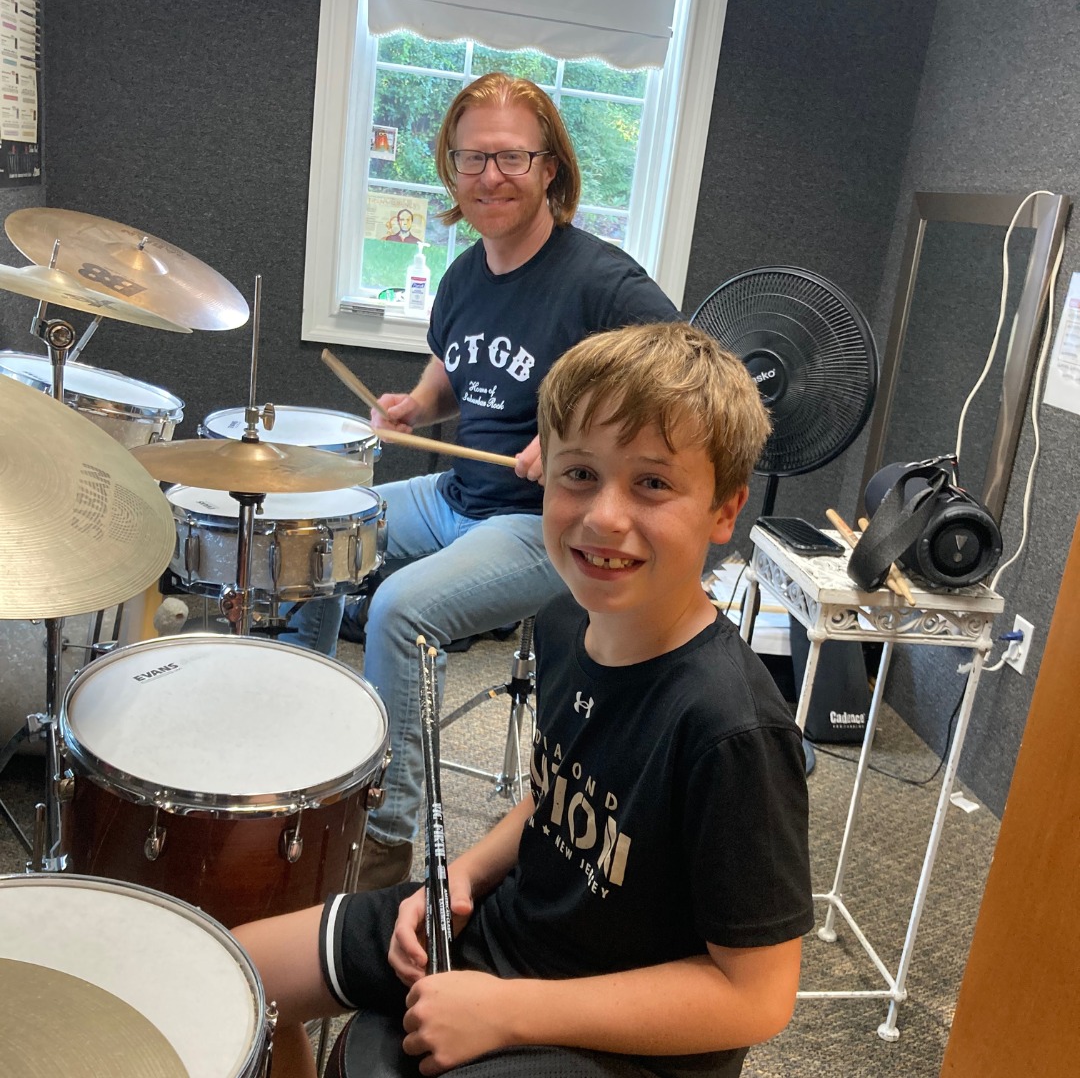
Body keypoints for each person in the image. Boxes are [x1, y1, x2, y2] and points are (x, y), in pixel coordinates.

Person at [232, 320, 814, 1078]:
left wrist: (507, 1013)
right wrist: (462, 875)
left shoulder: (731, 730)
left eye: (653, 483)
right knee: (237, 971)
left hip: (617, 1032)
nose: (605, 515)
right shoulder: (572, 618)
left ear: (725, 511)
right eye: (579, 474)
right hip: (512, 932)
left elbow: (755, 998)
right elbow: (554, 794)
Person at [296, 70, 680, 888]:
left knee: (398, 611)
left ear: (550, 167)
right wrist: (417, 405)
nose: (490, 177)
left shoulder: (601, 281)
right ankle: (311, 745)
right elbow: (452, 372)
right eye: (472, 160)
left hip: (544, 525)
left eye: (510, 157)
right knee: (319, 522)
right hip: (454, 500)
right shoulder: (466, 275)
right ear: (450, 170)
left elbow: (684, 370)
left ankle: (384, 843)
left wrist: (576, 443)